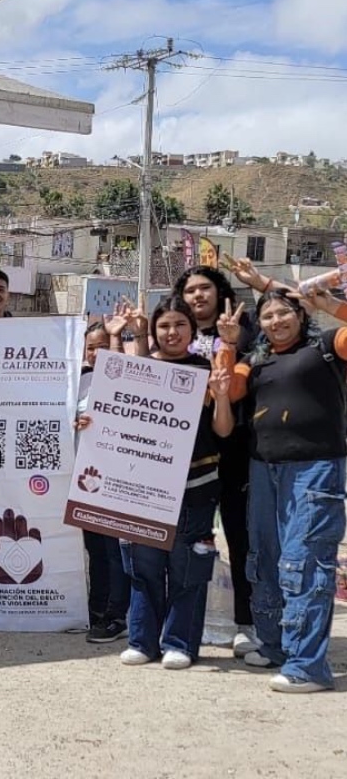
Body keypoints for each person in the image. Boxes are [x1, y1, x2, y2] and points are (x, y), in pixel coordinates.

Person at [80, 295, 233, 671]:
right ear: (154, 330)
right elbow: (113, 412)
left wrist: (222, 395)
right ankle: (143, 641)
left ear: (192, 329)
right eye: (164, 325)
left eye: (180, 324)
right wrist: (90, 423)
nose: (172, 332)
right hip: (143, 487)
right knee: (143, 567)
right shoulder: (141, 369)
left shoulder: (206, 370)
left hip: (195, 487)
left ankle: (180, 642)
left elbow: (223, 430)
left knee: (187, 569)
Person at [223, 286, 347, 693]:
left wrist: (330, 305)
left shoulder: (325, 346)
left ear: (300, 315)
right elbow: (230, 391)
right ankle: (274, 646)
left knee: (304, 561)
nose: (276, 321)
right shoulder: (255, 360)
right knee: (265, 558)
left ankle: (307, 667)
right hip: (264, 469)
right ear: (259, 324)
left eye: (284, 313)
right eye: (268, 316)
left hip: (315, 469)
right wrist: (228, 345)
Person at [174, 265, 259, 657]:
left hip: (237, 447)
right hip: (189, 453)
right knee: (190, 540)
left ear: (219, 291)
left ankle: (246, 622)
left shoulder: (246, 331)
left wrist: (233, 338)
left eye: (205, 288)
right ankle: (181, 624)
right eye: (190, 290)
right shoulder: (177, 333)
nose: (198, 296)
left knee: (240, 538)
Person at [77, 318, 130, 644]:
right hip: (87, 480)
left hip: (118, 479)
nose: (96, 353)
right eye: (91, 347)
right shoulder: (79, 381)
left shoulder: (128, 380)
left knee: (115, 551)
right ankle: (97, 610)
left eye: (103, 346)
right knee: (95, 549)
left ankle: (116, 615)